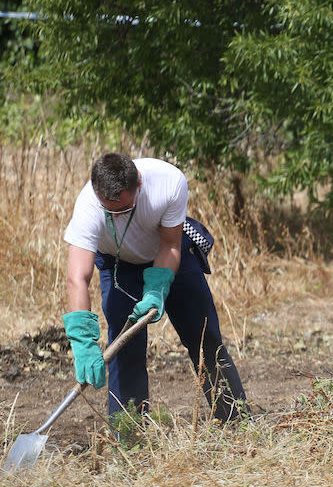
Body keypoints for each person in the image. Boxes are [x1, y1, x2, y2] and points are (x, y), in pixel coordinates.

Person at [62, 153, 249, 422]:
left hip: (171, 256)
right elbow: (77, 277)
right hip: (119, 267)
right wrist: (82, 340)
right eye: (110, 211)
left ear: (139, 184)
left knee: (205, 336)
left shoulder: (168, 182)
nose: (117, 217)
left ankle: (236, 421)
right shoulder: (88, 208)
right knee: (125, 349)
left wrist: (156, 289)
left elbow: (171, 245)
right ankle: (130, 439)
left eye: (124, 210)